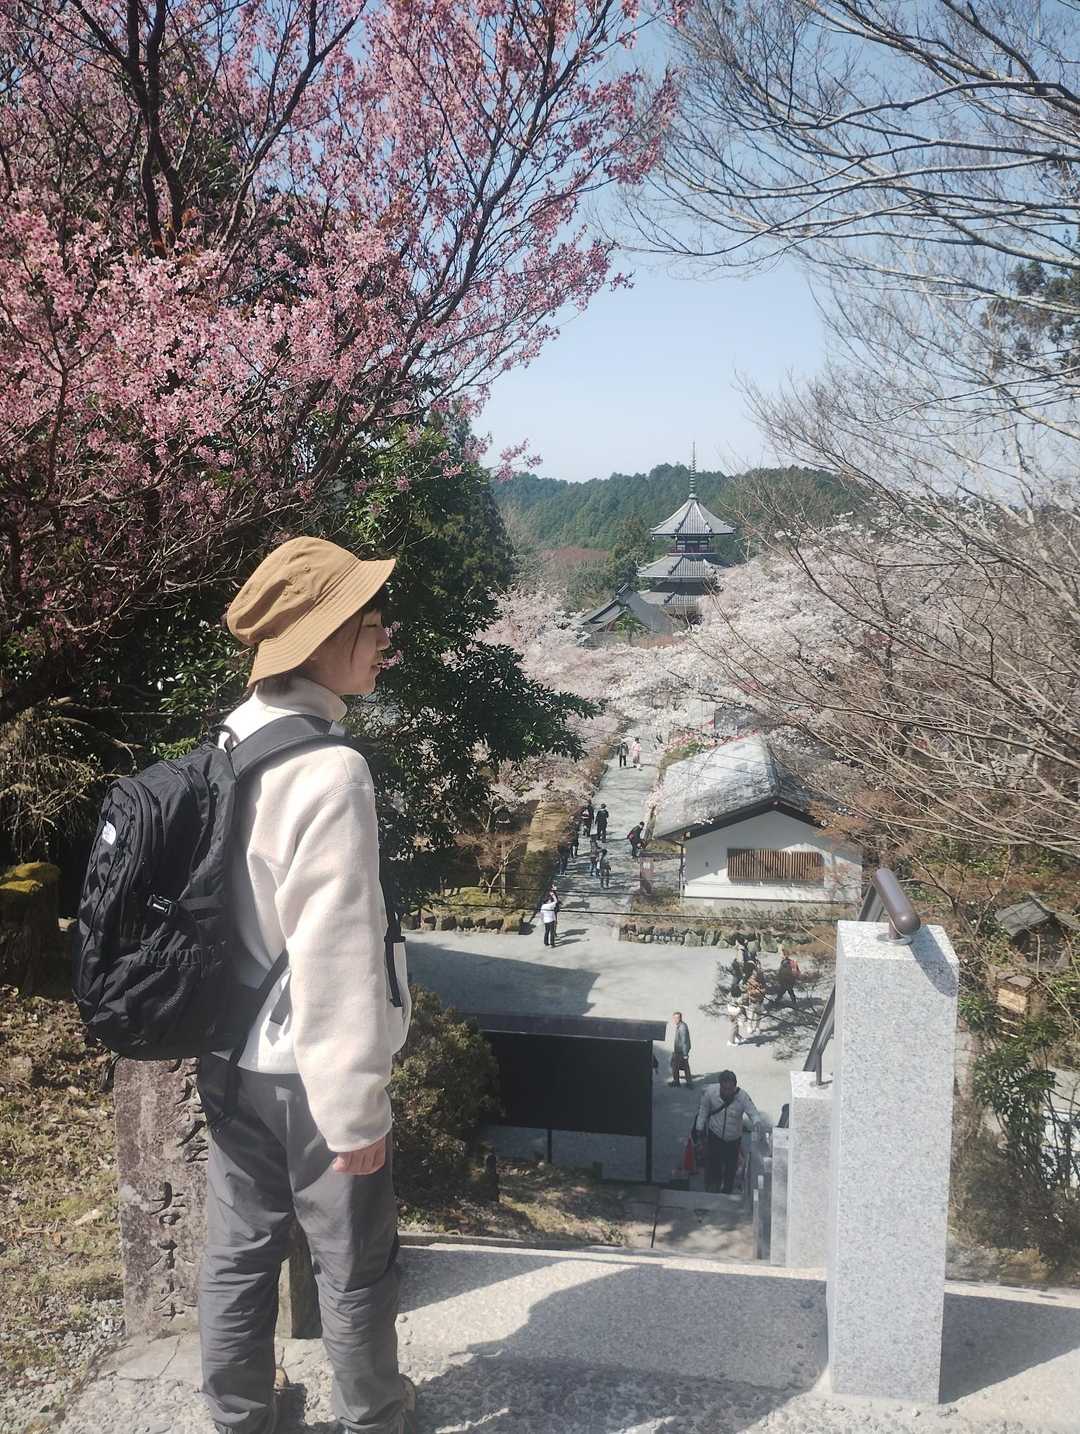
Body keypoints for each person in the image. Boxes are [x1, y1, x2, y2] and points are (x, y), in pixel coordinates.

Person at [199, 537, 416, 1434]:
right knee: (353, 1260)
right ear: (321, 638)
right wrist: (356, 1111)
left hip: (227, 1050)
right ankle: (372, 1416)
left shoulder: (228, 738)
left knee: (239, 1248)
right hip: (307, 1070)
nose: (385, 638)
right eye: (370, 623)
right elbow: (335, 952)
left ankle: (239, 1417)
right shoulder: (332, 769)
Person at [693, 1070, 763, 1194]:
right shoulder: (710, 1093)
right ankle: (713, 1190)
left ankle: (727, 1191)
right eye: (724, 1088)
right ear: (720, 1085)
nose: (726, 1092)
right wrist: (699, 1129)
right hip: (715, 1135)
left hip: (733, 1139)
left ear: (735, 1087)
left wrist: (757, 1123)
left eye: (730, 1089)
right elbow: (703, 1111)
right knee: (714, 1165)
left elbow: (753, 1112)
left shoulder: (742, 1097)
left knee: (731, 1168)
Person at [669, 1012, 693, 1087]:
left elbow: (684, 1041)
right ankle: (688, 1083)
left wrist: (685, 1054)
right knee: (683, 1066)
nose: (676, 1019)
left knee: (675, 1065)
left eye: (677, 1018)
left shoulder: (682, 1027)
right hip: (680, 1050)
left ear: (680, 1018)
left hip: (681, 1051)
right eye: (674, 1018)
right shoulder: (680, 1026)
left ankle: (677, 1082)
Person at [743, 968, 766, 1039]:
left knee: (759, 1015)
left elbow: (764, 990)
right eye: (757, 975)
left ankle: (757, 1027)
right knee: (751, 1015)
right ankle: (749, 1026)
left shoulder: (762, 980)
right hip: (753, 1002)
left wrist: (758, 992)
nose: (758, 977)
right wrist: (758, 992)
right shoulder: (750, 981)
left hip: (760, 1001)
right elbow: (749, 992)